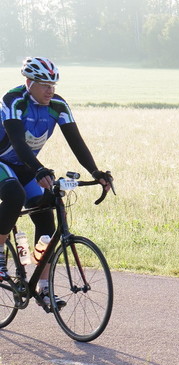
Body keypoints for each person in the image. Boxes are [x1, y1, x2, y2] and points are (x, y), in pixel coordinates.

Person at [0, 57, 112, 311]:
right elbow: (17, 142)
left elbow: (76, 141)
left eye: (53, 84)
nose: (50, 90)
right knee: (14, 195)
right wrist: (38, 169)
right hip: (2, 162)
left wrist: (95, 171)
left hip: (25, 166)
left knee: (46, 214)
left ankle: (43, 286)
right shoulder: (14, 100)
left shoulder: (58, 105)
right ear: (29, 82)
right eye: (44, 85)